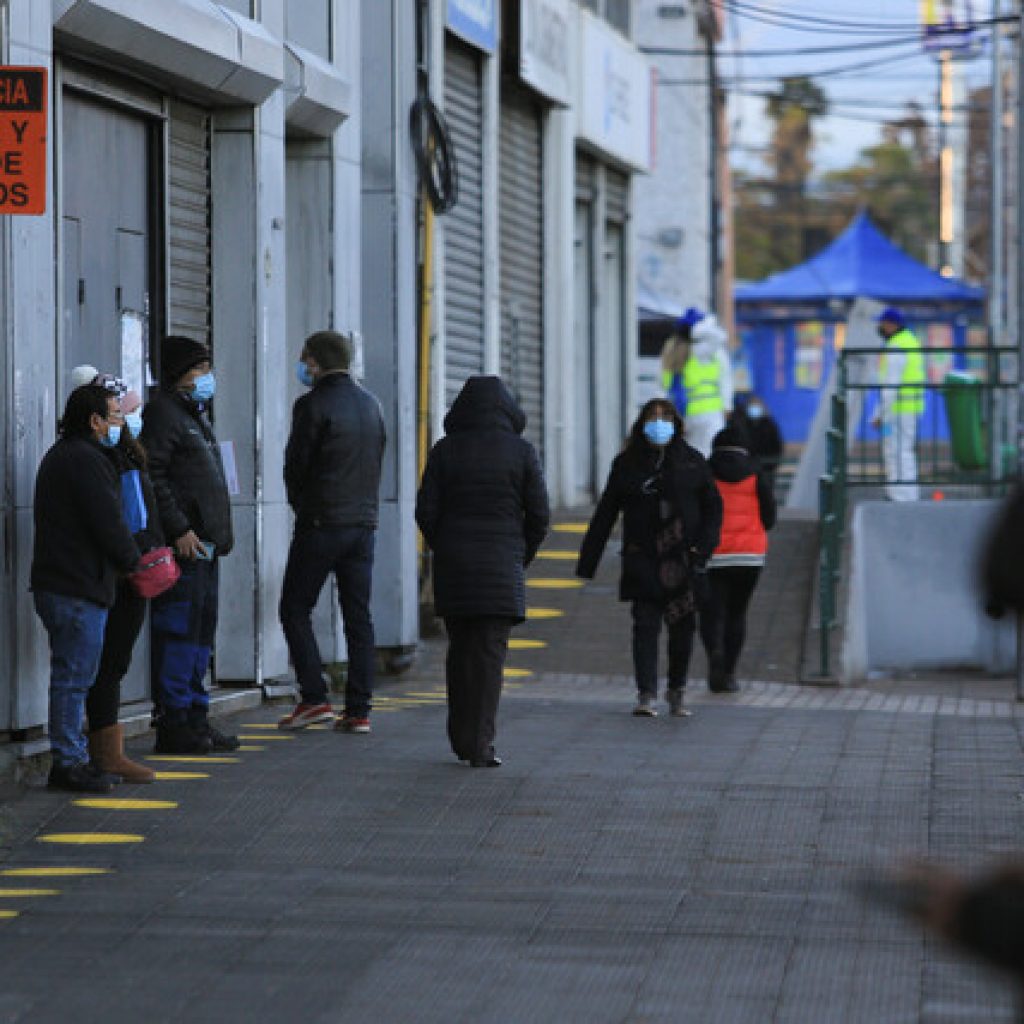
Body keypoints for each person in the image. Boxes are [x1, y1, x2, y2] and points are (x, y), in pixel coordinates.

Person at [415, 376, 549, 766]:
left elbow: (425, 511)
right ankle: (480, 745)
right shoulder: (522, 452)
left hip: (455, 567)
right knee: (489, 658)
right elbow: (540, 515)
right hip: (501, 568)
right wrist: (519, 554)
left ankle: (461, 737)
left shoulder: (444, 451)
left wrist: (447, 546)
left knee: (460, 652)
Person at [576, 398, 722, 718]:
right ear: (642, 424)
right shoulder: (627, 464)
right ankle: (646, 693)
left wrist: (703, 548)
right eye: (653, 417)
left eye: (665, 417)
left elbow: (713, 508)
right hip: (642, 558)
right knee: (645, 626)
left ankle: (677, 689)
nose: (659, 424)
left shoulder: (692, 462)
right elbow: (606, 513)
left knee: (683, 629)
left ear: (676, 423)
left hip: (683, 561)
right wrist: (588, 561)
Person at [31, 384, 142, 793]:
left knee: (75, 673)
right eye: (114, 415)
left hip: (69, 582)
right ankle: (68, 762)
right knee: (74, 676)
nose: (120, 422)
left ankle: (73, 756)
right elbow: (108, 521)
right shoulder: (85, 460)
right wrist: (135, 562)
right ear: (94, 420)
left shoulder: (70, 456)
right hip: (75, 585)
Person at [277, 330, 387, 735]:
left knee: (294, 608)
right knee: (358, 616)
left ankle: (314, 697)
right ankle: (359, 709)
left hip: (322, 523)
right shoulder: (371, 405)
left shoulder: (313, 405)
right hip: (363, 525)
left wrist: (302, 506)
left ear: (317, 362)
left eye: (305, 359)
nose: (302, 367)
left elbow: (297, 465)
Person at [141, 335, 236, 754]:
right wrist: (178, 528)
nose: (206, 376)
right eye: (199, 368)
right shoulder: (164, 413)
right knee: (179, 631)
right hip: (186, 546)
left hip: (206, 547)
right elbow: (153, 475)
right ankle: (175, 721)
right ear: (178, 372)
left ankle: (197, 716)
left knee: (201, 632)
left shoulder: (193, 414)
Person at [69, 369, 162, 783]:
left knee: (114, 661)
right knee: (102, 665)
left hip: (130, 568)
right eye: (122, 413)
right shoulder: (98, 458)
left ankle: (106, 750)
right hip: (119, 573)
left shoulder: (125, 454)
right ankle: (100, 753)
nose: (127, 420)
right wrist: (135, 561)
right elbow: (117, 521)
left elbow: (145, 509)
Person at [699, 427, 776, 693]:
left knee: (712, 613)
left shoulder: (705, 473)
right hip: (749, 556)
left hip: (713, 555)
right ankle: (729, 673)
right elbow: (769, 517)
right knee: (737, 613)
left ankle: (715, 656)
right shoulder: (756, 474)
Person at [871, 307, 924, 502]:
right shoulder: (910, 341)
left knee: (897, 453)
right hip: (907, 408)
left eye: (883, 323)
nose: (881, 328)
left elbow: (890, 385)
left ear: (892, 325)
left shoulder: (896, 346)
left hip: (897, 411)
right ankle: (906, 495)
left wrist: (879, 414)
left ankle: (901, 496)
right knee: (904, 452)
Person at [672, 309, 734, 458]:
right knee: (708, 455)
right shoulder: (708, 353)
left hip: (686, 416)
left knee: (691, 456)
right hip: (709, 414)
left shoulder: (676, 352)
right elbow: (719, 337)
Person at [728, 393, 784, 491]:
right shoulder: (741, 423)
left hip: (766, 467)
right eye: (752, 405)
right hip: (748, 468)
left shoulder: (769, 425)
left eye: (757, 405)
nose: (754, 409)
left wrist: (773, 463)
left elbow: (776, 445)